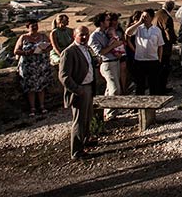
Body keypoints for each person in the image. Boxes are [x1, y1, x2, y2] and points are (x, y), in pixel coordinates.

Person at [58, 26, 95, 160]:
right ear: (74, 36)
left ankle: (86, 140)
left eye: (86, 34)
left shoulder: (86, 49)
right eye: (81, 35)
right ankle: (77, 151)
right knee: (79, 121)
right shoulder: (69, 52)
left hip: (88, 87)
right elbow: (64, 76)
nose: (84, 37)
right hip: (80, 89)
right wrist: (77, 89)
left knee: (87, 117)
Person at [14, 19, 53, 117]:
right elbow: (16, 51)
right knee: (30, 88)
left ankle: (42, 106)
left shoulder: (43, 36)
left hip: (41, 65)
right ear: (28, 27)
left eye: (36, 25)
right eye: (32, 26)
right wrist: (26, 53)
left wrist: (45, 49)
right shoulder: (23, 37)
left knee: (41, 86)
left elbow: (51, 46)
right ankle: (32, 108)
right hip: (29, 66)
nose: (35, 27)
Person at [89, 13, 124, 121]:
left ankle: (106, 110)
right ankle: (110, 114)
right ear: (101, 22)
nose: (110, 22)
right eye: (107, 20)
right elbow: (100, 52)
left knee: (109, 89)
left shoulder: (107, 33)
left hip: (115, 61)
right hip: (107, 63)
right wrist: (113, 46)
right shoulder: (94, 36)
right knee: (115, 89)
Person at [125, 9, 164, 95]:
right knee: (140, 85)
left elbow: (160, 45)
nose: (144, 18)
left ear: (152, 18)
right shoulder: (138, 28)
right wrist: (139, 22)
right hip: (140, 60)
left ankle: (152, 106)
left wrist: (159, 59)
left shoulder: (157, 30)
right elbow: (128, 32)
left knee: (153, 85)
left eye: (146, 16)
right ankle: (139, 106)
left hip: (153, 60)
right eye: (143, 16)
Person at [155, 1, 177, 94]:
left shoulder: (157, 14)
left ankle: (159, 88)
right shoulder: (167, 18)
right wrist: (175, 40)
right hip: (164, 48)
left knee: (159, 69)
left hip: (155, 45)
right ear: (171, 8)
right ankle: (161, 89)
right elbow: (169, 33)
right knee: (164, 68)